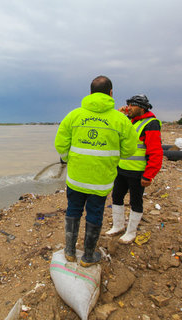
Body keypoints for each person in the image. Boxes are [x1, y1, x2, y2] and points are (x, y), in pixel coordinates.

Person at [55, 76, 137, 267]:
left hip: (76, 178)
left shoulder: (74, 115)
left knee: (73, 210)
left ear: (90, 93)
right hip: (101, 180)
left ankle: (69, 252)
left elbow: (60, 144)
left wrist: (69, 159)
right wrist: (112, 156)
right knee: (95, 213)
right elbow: (130, 149)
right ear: (111, 93)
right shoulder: (121, 120)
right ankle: (88, 256)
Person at [106, 94, 163, 244]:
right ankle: (118, 226)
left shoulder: (151, 124)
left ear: (142, 108)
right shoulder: (129, 121)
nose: (128, 107)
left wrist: (149, 175)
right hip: (122, 169)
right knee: (116, 197)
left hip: (138, 172)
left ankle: (130, 232)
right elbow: (113, 126)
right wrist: (119, 113)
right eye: (128, 104)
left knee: (135, 202)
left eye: (132, 105)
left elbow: (156, 152)